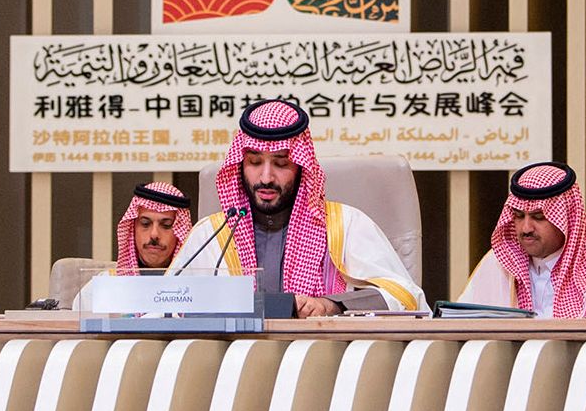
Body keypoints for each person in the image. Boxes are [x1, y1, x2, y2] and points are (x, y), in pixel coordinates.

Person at [165, 99, 426, 315]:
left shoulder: (345, 226)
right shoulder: (211, 234)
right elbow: (163, 306)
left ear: (301, 168)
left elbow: (406, 297)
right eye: (254, 162)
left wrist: (332, 305)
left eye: (281, 164)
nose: (266, 177)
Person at [455, 161, 586, 317]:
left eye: (538, 217)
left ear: (565, 218)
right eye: (519, 216)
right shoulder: (500, 260)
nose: (526, 228)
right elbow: (459, 324)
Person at [72, 182, 194, 311]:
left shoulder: (195, 290)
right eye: (145, 223)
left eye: (166, 225)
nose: (154, 234)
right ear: (132, 229)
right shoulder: (102, 290)